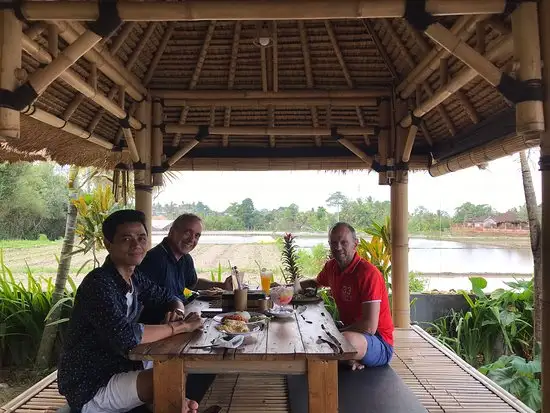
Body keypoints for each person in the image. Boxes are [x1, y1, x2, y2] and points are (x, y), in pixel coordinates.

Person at [58, 210, 203, 413]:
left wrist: (177, 311)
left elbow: (170, 297)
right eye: (126, 239)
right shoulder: (99, 283)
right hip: (91, 383)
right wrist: (181, 326)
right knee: (169, 384)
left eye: (142, 238)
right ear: (108, 244)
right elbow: (126, 335)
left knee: (186, 370)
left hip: (123, 363)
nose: (137, 245)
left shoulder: (134, 278)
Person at [301, 222, 394, 371]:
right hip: (349, 332)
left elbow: (369, 327)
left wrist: (337, 332)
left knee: (343, 340)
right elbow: (315, 283)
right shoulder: (331, 267)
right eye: (333, 243)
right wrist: (288, 288)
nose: (337, 247)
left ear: (355, 244)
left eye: (344, 242)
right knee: (312, 331)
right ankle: (348, 358)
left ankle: (349, 356)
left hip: (378, 342)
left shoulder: (368, 274)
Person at [139, 213, 232, 324]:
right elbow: (141, 304)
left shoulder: (185, 258)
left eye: (197, 235)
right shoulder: (154, 260)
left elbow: (193, 284)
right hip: (160, 326)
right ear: (172, 231)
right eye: (187, 233)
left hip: (182, 318)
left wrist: (222, 285)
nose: (191, 239)